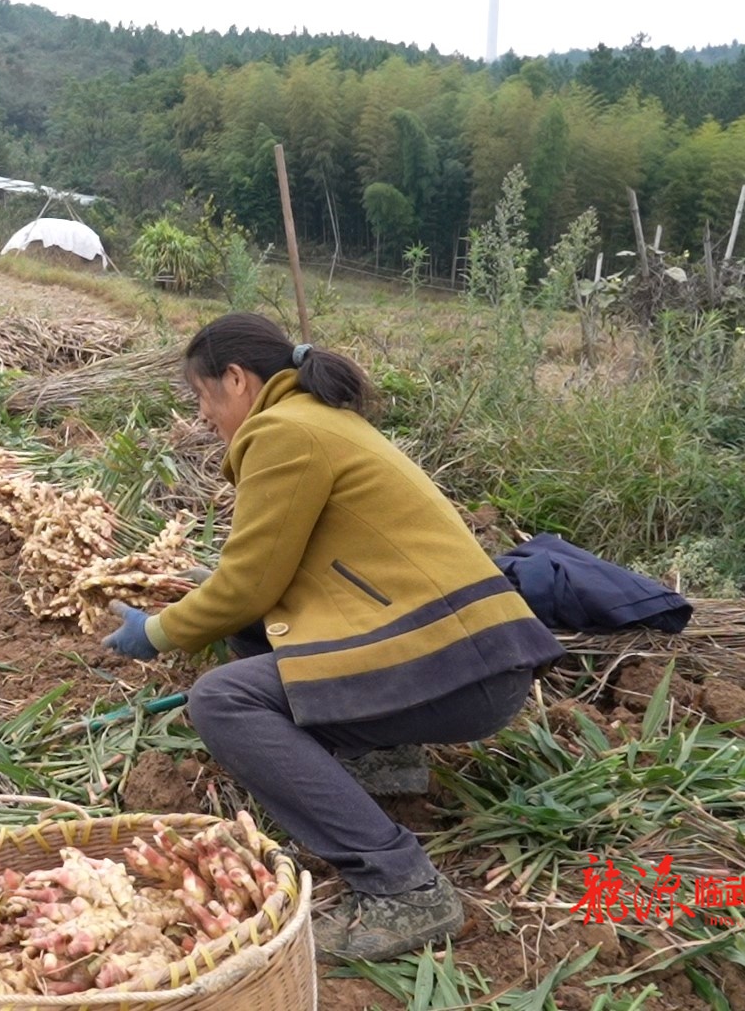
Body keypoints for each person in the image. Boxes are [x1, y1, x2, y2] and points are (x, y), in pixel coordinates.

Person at [97, 311, 565, 963]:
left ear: (236, 379)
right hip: (472, 656)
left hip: (459, 667)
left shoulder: (286, 434)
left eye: (203, 397)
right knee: (250, 633)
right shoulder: (322, 422)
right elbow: (265, 584)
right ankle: (384, 758)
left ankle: (403, 885)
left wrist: (155, 631)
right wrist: (212, 602)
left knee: (223, 701)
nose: (203, 415)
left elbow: (247, 585)